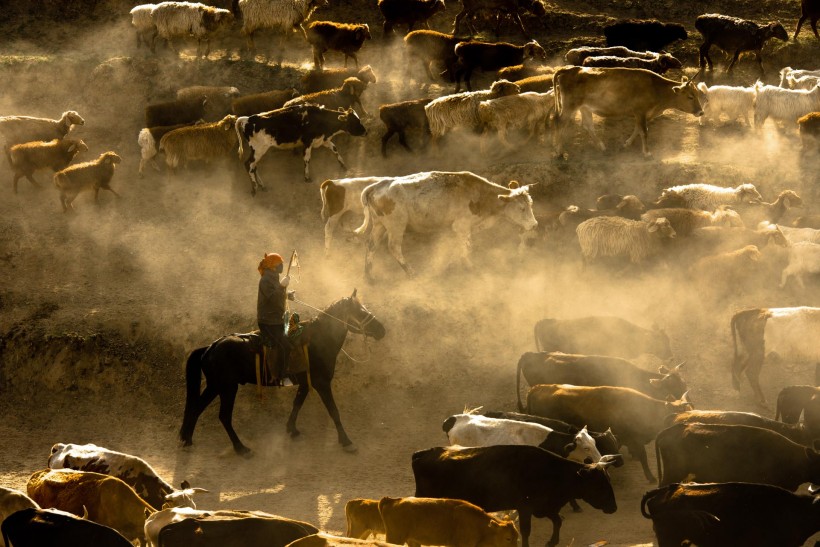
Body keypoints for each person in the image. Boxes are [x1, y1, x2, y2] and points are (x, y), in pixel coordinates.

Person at [257, 252, 294, 386]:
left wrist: (287, 294)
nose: (282, 266)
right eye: (280, 264)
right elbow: (272, 298)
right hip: (268, 322)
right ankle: (282, 377)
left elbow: (276, 294)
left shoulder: (272, 277)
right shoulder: (265, 280)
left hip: (276, 320)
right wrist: (282, 287)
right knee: (285, 346)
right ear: (273, 266)